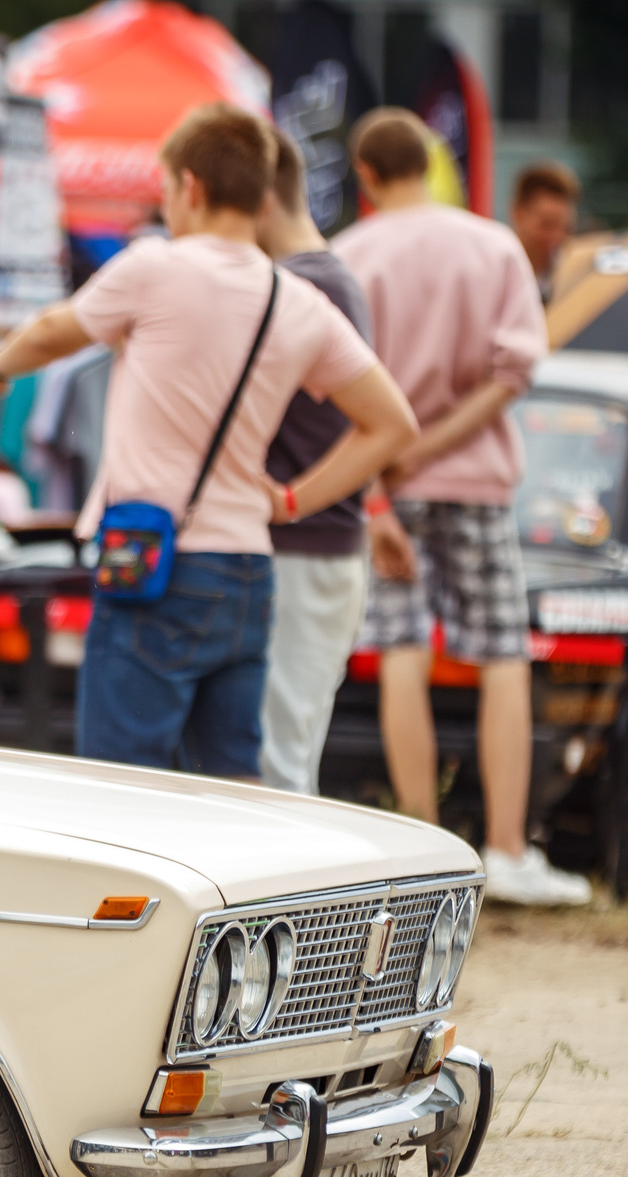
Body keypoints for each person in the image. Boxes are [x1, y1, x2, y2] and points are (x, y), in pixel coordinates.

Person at [0, 103, 416, 776]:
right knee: (231, 787)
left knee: (125, 783)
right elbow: (393, 424)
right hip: (249, 568)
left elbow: (53, 331)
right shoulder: (299, 299)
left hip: (152, 557)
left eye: (165, 191)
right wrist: (290, 499)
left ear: (189, 187)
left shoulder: (153, 268)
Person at [332, 108, 589, 905]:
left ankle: (418, 845)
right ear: (431, 163)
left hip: (384, 487)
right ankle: (508, 848)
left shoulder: (348, 256)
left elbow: (336, 389)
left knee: (402, 647)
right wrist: (437, 441)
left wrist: (384, 477)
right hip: (474, 477)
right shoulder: (493, 245)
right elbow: (513, 373)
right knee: (502, 653)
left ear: (366, 175)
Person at [253, 121, 376, 794]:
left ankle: (289, 903)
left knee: (281, 766)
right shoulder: (326, 278)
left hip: (305, 551)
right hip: (317, 550)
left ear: (260, 201)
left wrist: (295, 499)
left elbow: (385, 424)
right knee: (286, 753)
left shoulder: (302, 287)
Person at [509, 160, 581, 298]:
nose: (557, 237)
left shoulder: (575, 279)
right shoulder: (492, 274)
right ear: (517, 214)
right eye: (546, 225)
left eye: (567, 228)